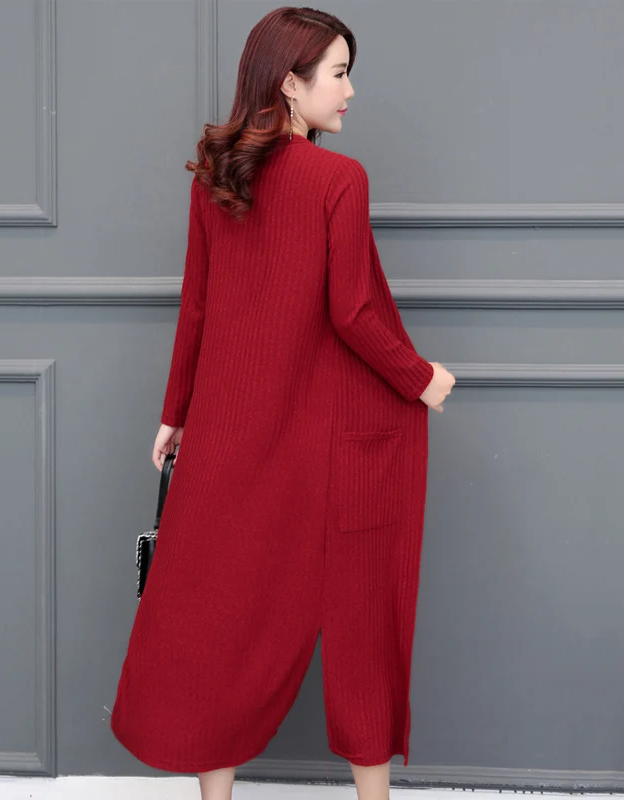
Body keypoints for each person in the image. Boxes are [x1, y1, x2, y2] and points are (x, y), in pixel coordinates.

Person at [110, 6, 456, 799]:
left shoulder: (215, 177)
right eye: (338, 74)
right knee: (361, 611)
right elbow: (353, 313)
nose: (351, 91)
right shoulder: (339, 179)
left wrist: (176, 414)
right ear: (289, 85)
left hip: (228, 436)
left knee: (215, 617)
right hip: (317, 446)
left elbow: (197, 306)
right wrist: (422, 379)